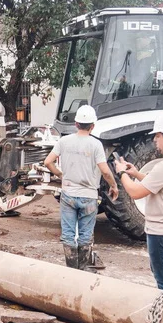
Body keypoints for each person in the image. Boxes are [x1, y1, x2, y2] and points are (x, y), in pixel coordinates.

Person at [113, 112, 163, 290]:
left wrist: (121, 173)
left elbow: (135, 192)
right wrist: (136, 174)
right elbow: (159, 184)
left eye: (157, 136)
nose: (154, 140)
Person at [44, 105, 119, 271]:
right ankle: (83, 269)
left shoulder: (64, 141)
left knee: (68, 234)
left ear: (76, 124)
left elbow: (48, 162)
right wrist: (113, 186)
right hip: (89, 196)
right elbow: (105, 171)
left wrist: (60, 175)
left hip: (68, 194)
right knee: (85, 235)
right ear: (93, 126)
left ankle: (71, 270)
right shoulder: (96, 144)